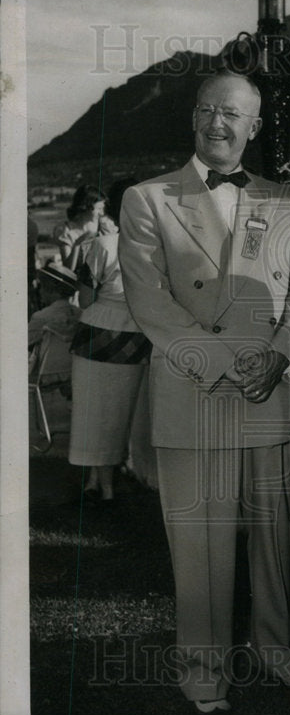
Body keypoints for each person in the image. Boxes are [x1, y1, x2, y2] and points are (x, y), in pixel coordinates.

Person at [118, 69, 290, 715]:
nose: (217, 122)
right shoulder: (147, 199)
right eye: (206, 109)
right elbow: (152, 305)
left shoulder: (286, 199)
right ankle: (204, 671)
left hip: (272, 391)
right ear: (193, 118)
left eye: (232, 113)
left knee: (273, 536)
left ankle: (276, 647)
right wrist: (232, 365)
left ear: (254, 126)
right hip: (194, 389)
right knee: (200, 544)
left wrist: (284, 356)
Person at [68, 178, 151, 503]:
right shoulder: (156, 248)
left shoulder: (101, 246)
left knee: (94, 414)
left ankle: (103, 487)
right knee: (120, 415)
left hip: (98, 336)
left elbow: (86, 300)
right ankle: (102, 482)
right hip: (135, 338)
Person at [28, 262, 80, 350]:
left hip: (48, 363)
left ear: (50, 288)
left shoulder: (39, 318)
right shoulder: (82, 316)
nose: (40, 291)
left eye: (41, 286)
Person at [55, 184, 106, 272]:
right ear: (85, 207)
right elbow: (68, 269)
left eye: (102, 209)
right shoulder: (66, 230)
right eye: (99, 209)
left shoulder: (102, 225)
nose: (102, 213)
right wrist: (78, 243)